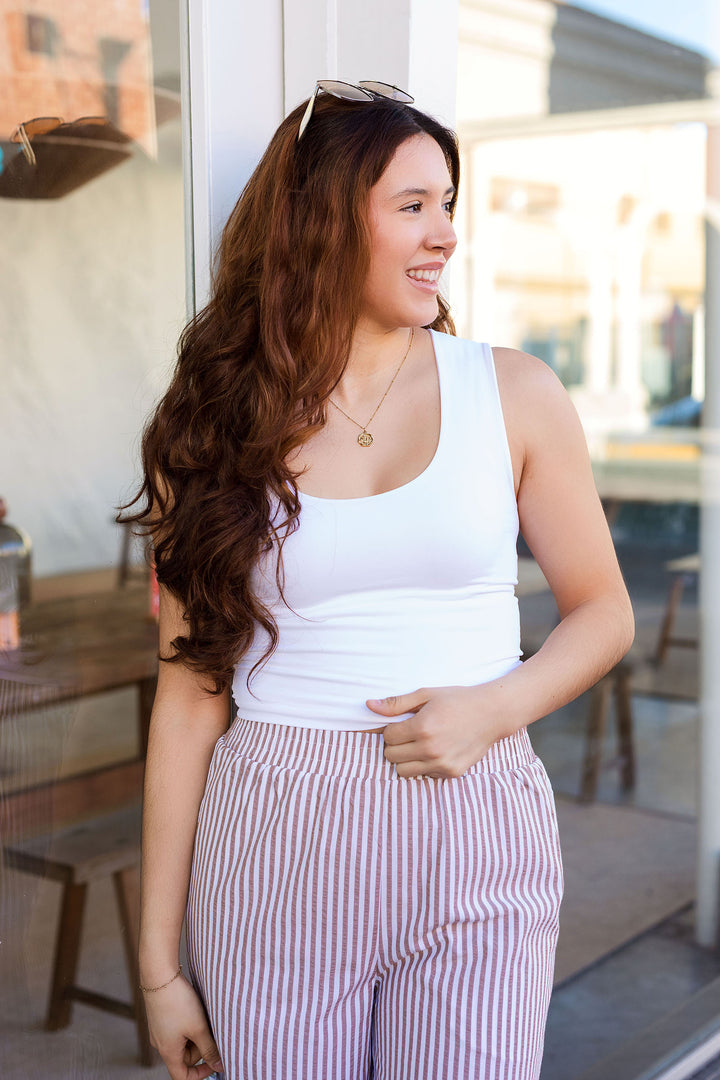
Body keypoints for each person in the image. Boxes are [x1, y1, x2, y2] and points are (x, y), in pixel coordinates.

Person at [126, 80, 634, 1080]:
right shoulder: (212, 425)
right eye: (413, 206)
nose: (446, 233)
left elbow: (604, 611)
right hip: (276, 829)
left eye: (448, 204)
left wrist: (495, 708)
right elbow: (188, 699)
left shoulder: (514, 392)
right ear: (320, 223)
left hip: (476, 818)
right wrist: (157, 968)